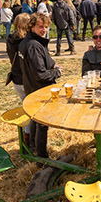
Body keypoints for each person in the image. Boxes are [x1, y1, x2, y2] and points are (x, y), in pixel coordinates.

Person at [18, 12, 63, 159]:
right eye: (40, 27)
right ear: (31, 26)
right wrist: (57, 73)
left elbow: (37, 65)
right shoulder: (34, 45)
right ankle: (42, 157)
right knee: (42, 124)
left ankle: (33, 146)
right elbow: (40, 74)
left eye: (45, 27)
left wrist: (51, 64)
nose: (43, 30)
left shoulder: (26, 42)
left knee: (36, 120)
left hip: (31, 87)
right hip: (39, 90)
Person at [6, 13, 31, 141]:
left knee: (26, 107)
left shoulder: (10, 39)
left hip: (16, 78)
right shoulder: (26, 42)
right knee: (31, 111)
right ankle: (28, 137)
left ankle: (27, 135)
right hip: (26, 79)